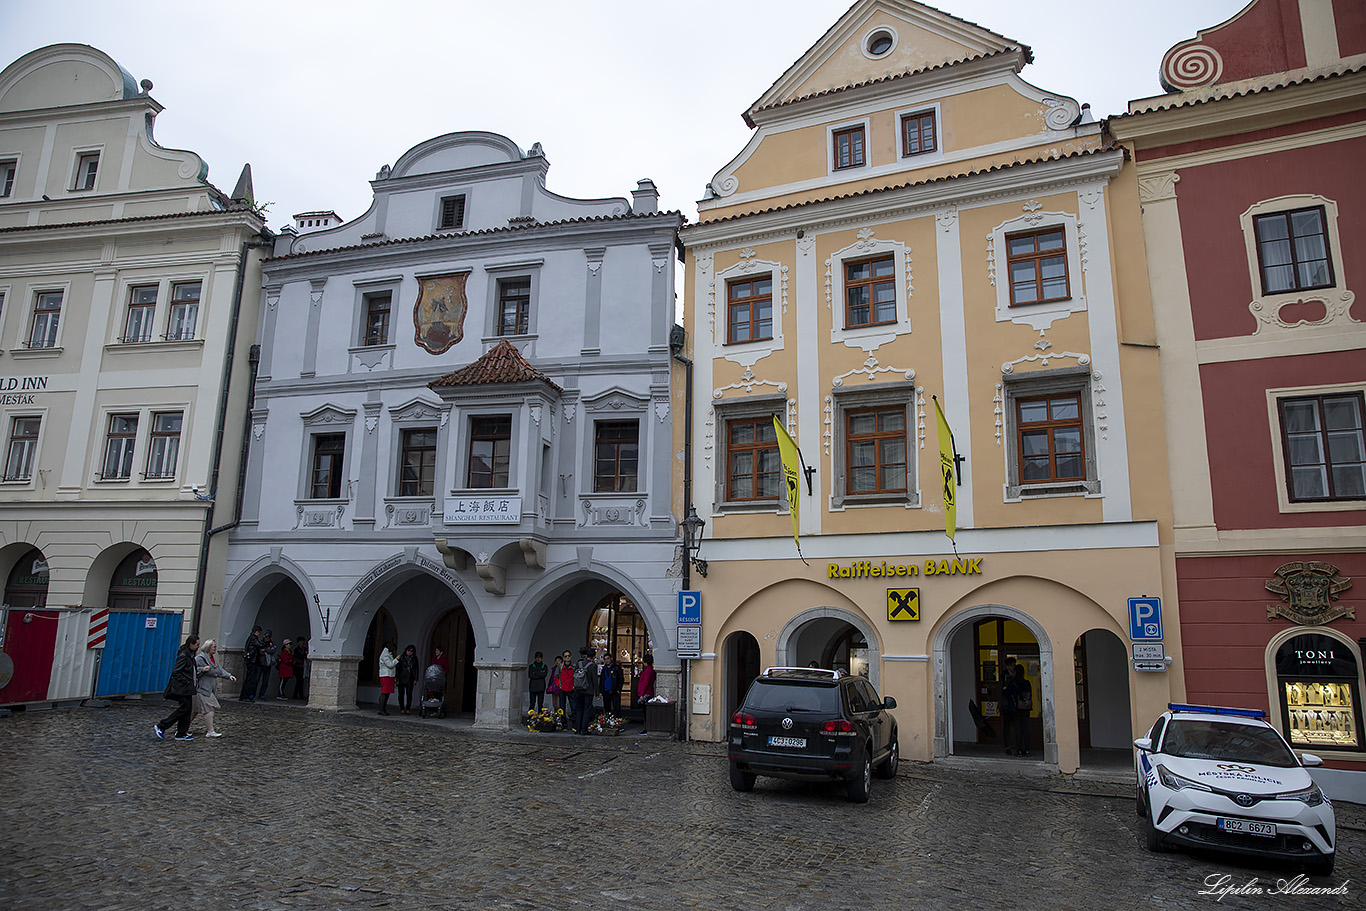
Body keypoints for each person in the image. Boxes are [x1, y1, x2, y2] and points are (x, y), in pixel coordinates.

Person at [155, 634, 200, 741]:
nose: (198, 646)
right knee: (184, 708)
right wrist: (187, 681)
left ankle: (181, 732)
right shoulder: (184, 656)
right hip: (182, 688)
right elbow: (176, 672)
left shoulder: (190, 655)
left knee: (187, 709)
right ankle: (162, 725)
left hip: (188, 688)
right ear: (191, 644)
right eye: (197, 644)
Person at [194, 639, 236, 737]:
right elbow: (192, 669)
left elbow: (219, 670)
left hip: (209, 688)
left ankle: (183, 728)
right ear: (208, 647)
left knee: (194, 710)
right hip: (202, 688)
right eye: (214, 647)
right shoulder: (200, 658)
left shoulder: (212, 658)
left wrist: (228, 676)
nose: (215, 648)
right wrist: (202, 669)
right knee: (208, 709)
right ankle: (210, 731)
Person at [1005, 662, 1033, 757]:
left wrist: (1005, 690)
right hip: (1026, 709)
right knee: (1026, 729)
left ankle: (1019, 749)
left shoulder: (1013, 683)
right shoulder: (1027, 683)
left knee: (1018, 730)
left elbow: (1007, 694)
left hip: (1016, 709)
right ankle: (1027, 749)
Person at [572, 647, 599, 735]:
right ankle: (584, 729)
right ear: (594, 657)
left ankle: (578, 728)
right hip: (588, 690)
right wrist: (597, 693)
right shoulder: (592, 665)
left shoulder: (579, 663)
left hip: (578, 689)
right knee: (587, 710)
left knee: (579, 709)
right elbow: (594, 680)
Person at [998, 656, 1019, 755]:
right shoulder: (1003, 676)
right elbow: (1000, 691)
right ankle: (1007, 746)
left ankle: (1018, 745)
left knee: (1017, 726)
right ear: (1007, 666)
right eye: (1011, 665)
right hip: (1006, 705)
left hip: (1016, 704)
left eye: (1014, 665)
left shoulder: (1017, 675)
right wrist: (1000, 705)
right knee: (1006, 727)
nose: (1013, 667)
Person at [239, 625, 264, 701]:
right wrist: (264, 643)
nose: (259, 634)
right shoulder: (253, 638)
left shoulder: (251, 638)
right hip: (251, 661)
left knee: (250, 678)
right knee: (249, 679)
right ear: (256, 632)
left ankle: (245, 695)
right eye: (259, 632)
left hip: (252, 660)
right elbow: (259, 644)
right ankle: (245, 696)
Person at [395, 644, 419, 715]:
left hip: (410, 678)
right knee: (401, 694)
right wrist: (397, 678)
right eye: (408, 651)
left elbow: (416, 669)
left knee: (409, 694)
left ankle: (408, 708)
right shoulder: (402, 657)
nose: (409, 652)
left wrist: (416, 679)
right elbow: (398, 669)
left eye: (411, 651)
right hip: (402, 677)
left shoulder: (414, 658)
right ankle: (402, 708)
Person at [255, 630, 277, 701]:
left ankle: (262, 694)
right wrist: (266, 650)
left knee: (265, 681)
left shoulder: (272, 643)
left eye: (269, 636)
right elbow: (258, 650)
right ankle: (253, 694)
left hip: (268, 664)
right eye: (266, 636)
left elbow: (272, 651)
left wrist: (265, 650)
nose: (267, 638)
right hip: (260, 663)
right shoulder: (261, 642)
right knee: (256, 679)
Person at [377, 641, 398, 715]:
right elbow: (390, 665)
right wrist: (396, 659)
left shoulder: (387, 654)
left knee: (387, 693)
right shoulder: (385, 655)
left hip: (389, 675)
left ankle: (383, 708)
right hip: (386, 675)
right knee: (384, 692)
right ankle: (381, 709)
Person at [599, 653, 623, 717]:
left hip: (614, 691)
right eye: (605, 659)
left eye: (608, 659)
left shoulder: (616, 668)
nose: (606, 660)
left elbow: (621, 679)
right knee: (607, 709)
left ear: (611, 659)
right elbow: (601, 680)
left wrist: (619, 689)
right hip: (606, 691)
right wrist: (601, 691)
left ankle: (618, 722)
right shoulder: (604, 669)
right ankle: (608, 722)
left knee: (617, 708)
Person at [557, 653, 574, 729]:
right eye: (565, 656)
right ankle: (564, 725)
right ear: (563, 658)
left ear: (571, 657)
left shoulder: (573, 667)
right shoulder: (560, 666)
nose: (567, 658)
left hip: (571, 688)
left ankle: (574, 725)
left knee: (573, 707)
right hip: (562, 688)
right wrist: (559, 685)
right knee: (562, 707)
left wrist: (574, 686)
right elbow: (556, 676)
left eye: (568, 656)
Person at [292, 636, 309, 701]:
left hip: (303, 666)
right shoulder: (296, 650)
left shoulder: (304, 649)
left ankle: (298, 694)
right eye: (300, 641)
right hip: (297, 666)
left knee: (301, 681)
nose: (302, 642)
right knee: (299, 680)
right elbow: (297, 657)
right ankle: (298, 694)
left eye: (302, 641)